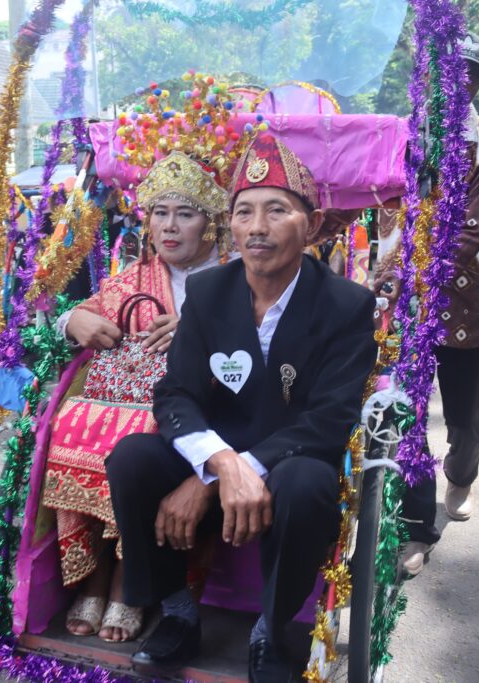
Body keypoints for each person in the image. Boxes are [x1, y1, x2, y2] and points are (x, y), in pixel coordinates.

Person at [106, 134, 376, 681]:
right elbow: (175, 394)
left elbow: (329, 420)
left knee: (305, 484)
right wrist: (218, 468)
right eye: (244, 212)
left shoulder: (347, 304)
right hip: (220, 452)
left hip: (293, 458)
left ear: (314, 224)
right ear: (229, 225)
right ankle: (178, 613)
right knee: (132, 458)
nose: (257, 228)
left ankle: (272, 632)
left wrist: (240, 470)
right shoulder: (208, 292)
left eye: (277, 211)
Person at [42, 151, 231, 643]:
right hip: (117, 410)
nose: (169, 227)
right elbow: (83, 309)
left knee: (138, 433)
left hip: (202, 418)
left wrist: (198, 331)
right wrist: (74, 321)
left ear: (212, 222)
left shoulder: (236, 278)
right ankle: (95, 573)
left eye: (185, 214)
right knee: (73, 420)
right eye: (160, 213)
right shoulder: (134, 278)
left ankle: (128, 581)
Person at [375, 32, 479, 576]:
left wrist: (420, 270)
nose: (461, 83)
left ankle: (462, 474)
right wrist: (388, 277)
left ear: (477, 83)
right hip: (407, 295)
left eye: (471, 75)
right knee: (405, 412)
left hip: (462, 299)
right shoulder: (401, 135)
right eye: (450, 74)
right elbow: (388, 205)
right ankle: (415, 527)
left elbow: (472, 225)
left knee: (468, 416)